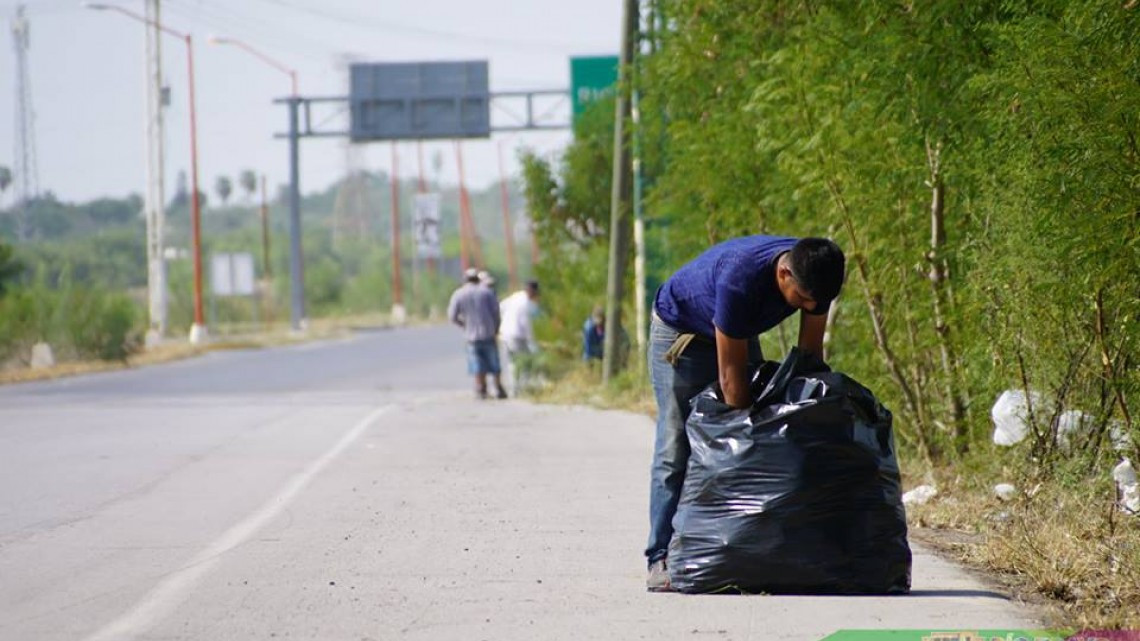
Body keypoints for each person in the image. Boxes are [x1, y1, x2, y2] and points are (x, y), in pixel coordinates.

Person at [644, 235, 845, 592]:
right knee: (677, 445)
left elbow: (811, 360)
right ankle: (660, 556)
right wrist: (751, 441)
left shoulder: (815, 275)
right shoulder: (740, 281)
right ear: (783, 274)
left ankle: (744, 547)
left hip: (736, 326)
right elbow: (731, 383)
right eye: (801, 299)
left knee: (762, 426)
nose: (810, 306)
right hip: (682, 334)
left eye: (817, 302)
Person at [447, 267, 507, 400]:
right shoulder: (487, 292)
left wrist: (464, 324)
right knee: (494, 362)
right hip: (488, 333)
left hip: (471, 335)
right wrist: (496, 328)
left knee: (476, 363)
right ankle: (498, 387)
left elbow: (452, 316)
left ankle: (481, 388)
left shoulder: (459, 294)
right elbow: (496, 313)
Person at [499, 280, 540, 396]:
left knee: (512, 362)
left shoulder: (516, 296)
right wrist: (532, 341)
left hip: (505, 333)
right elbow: (526, 325)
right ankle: (519, 389)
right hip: (516, 336)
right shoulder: (526, 303)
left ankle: (515, 389)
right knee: (523, 362)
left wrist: (505, 321)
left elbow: (501, 307)